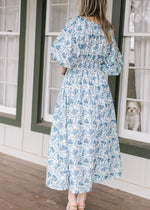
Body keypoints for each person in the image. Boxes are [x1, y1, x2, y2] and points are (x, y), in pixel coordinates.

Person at [45, 0, 124, 209]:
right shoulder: (107, 28)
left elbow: (63, 60)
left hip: (76, 90)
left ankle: (72, 200)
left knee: (73, 142)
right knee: (89, 143)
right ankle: (82, 198)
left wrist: (67, 68)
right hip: (98, 91)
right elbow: (113, 66)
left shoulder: (75, 25)